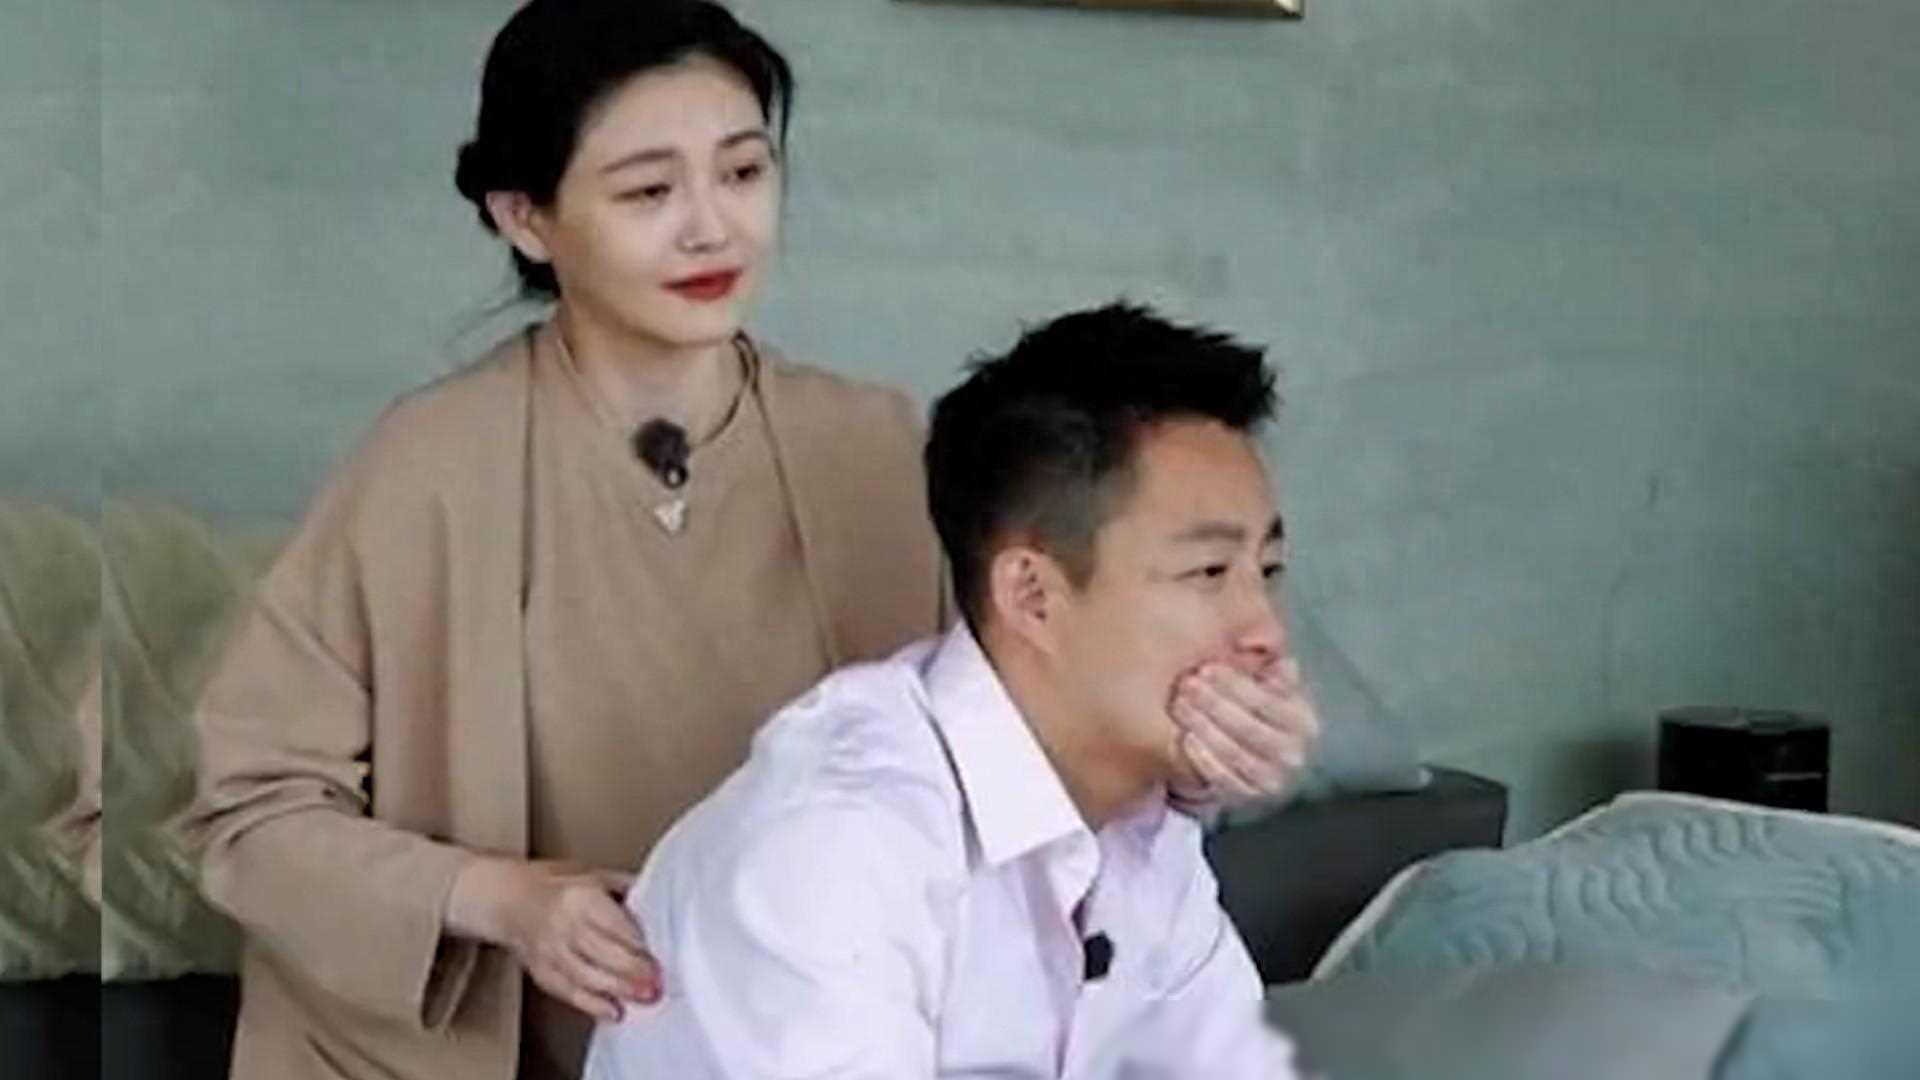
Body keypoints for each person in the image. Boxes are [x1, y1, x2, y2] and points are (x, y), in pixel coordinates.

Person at [186, 4, 1315, 1078]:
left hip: (824, 1014)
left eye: (743, 171)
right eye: (648, 190)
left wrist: (1193, 769)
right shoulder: (431, 463)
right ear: (525, 216)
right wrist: (501, 899)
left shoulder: (875, 444)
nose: (711, 226)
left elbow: (1023, 733)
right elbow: (247, 814)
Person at [583, 304, 1303, 1079]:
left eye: (1266, 573)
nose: (1264, 631)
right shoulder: (840, 845)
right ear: (1032, 596)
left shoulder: (1142, 830)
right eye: (1207, 573)